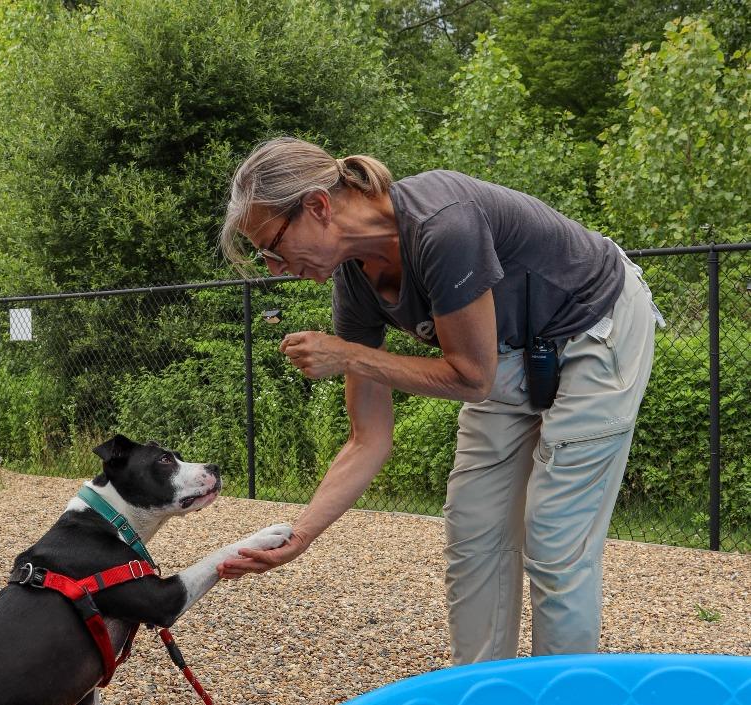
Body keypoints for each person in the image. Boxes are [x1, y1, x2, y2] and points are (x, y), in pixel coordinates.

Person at [217, 136, 664, 664]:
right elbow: (368, 438)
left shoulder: (442, 224)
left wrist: (351, 357)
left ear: (317, 207)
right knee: (473, 537)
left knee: (554, 540)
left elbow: (472, 378)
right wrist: (302, 533)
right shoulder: (356, 286)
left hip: (595, 325)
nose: (273, 267)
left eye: (271, 246)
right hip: (510, 352)